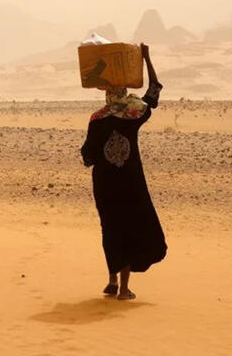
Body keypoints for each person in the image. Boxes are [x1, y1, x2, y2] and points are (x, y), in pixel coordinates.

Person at [81, 43, 167, 300]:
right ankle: (124, 289)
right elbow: (153, 91)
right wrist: (147, 58)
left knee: (110, 228)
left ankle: (112, 281)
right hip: (130, 181)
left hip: (105, 183)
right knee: (129, 227)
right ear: (125, 92)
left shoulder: (97, 118)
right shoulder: (133, 113)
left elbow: (87, 156)